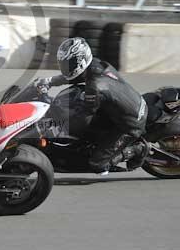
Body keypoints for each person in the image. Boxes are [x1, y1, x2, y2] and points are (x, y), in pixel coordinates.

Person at [34, 37, 148, 173]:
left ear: (81, 61)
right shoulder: (95, 64)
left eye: (68, 64)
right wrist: (50, 81)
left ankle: (137, 149)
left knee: (97, 164)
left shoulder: (95, 87)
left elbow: (84, 119)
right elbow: (76, 76)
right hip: (124, 106)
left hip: (130, 124)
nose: (65, 67)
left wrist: (61, 126)